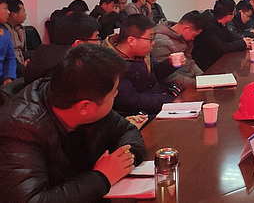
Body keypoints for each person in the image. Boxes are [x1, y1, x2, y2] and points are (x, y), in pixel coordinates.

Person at [0, 43, 146, 202]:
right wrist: (101, 177)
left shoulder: (82, 98)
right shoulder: (19, 129)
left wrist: (124, 159)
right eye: (113, 93)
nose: (116, 95)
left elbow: (126, 130)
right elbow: (32, 200)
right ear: (84, 107)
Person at [104, 14, 181, 116]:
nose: (153, 43)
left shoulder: (142, 53)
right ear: (131, 40)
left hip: (159, 101)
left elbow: (155, 74)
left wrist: (170, 64)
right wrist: (169, 101)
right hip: (142, 114)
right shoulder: (111, 63)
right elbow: (131, 100)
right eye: (150, 39)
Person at [24, 12, 103, 84]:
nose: (99, 43)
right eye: (96, 38)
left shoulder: (43, 53)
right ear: (78, 43)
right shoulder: (71, 69)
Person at [151, 10, 207, 89]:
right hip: (178, 86)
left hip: (188, 80)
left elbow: (190, 61)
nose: (193, 38)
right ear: (186, 28)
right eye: (194, 35)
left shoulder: (184, 39)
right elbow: (167, 76)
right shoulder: (160, 41)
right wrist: (194, 83)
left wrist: (203, 77)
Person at [192, 0, 251, 71]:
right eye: (234, 13)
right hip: (207, 65)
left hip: (218, 60)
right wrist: (242, 43)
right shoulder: (208, 26)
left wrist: (244, 40)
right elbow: (221, 47)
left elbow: (230, 37)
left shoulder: (221, 22)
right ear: (227, 17)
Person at [5, 0, 28, 76]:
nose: (25, 14)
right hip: (12, 71)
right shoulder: (5, 31)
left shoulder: (20, 29)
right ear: (13, 14)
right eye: (23, 11)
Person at [0, 0, 16, 85]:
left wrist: (9, 76)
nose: (9, 12)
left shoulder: (5, 32)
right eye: (5, 8)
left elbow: (10, 57)